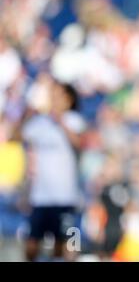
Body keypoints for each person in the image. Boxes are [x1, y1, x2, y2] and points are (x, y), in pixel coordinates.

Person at [13, 78, 85, 261]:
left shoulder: (74, 120)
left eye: (59, 95)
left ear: (68, 99)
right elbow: (16, 136)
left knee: (65, 245)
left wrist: (60, 120)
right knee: (31, 246)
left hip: (65, 197)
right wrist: (28, 113)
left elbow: (79, 143)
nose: (54, 98)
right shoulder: (40, 122)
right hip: (40, 196)